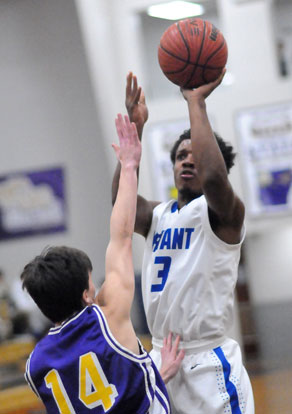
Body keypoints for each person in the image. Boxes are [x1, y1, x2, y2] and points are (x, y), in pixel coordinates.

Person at [112, 72, 255, 414]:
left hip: (208, 363)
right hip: (161, 358)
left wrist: (196, 102)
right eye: (180, 156)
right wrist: (137, 129)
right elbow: (121, 200)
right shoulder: (156, 215)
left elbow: (213, 177)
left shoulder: (223, 215)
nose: (187, 160)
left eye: (195, 155)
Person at [21, 114, 184, 414]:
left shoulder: (36, 364)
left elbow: (104, 399)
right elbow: (121, 236)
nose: (98, 287)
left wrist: (157, 375)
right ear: (86, 294)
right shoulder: (107, 319)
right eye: (91, 281)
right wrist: (130, 165)